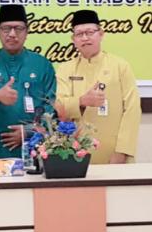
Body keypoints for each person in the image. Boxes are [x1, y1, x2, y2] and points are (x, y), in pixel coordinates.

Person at [0, 4, 56, 168]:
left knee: (33, 183)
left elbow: (50, 108)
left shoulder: (42, 65)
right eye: (6, 28)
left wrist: (29, 131)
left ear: (27, 32)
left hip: (33, 149)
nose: (12, 34)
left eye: (18, 28)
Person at [55, 10, 141, 164]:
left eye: (90, 32)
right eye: (79, 34)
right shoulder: (65, 69)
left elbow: (132, 110)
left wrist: (122, 151)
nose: (85, 38)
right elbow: (59, 107)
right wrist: (82, 101)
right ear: (73, 39)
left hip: (114, 154)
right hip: (74, 152)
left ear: (101, 34)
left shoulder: (120, 66)